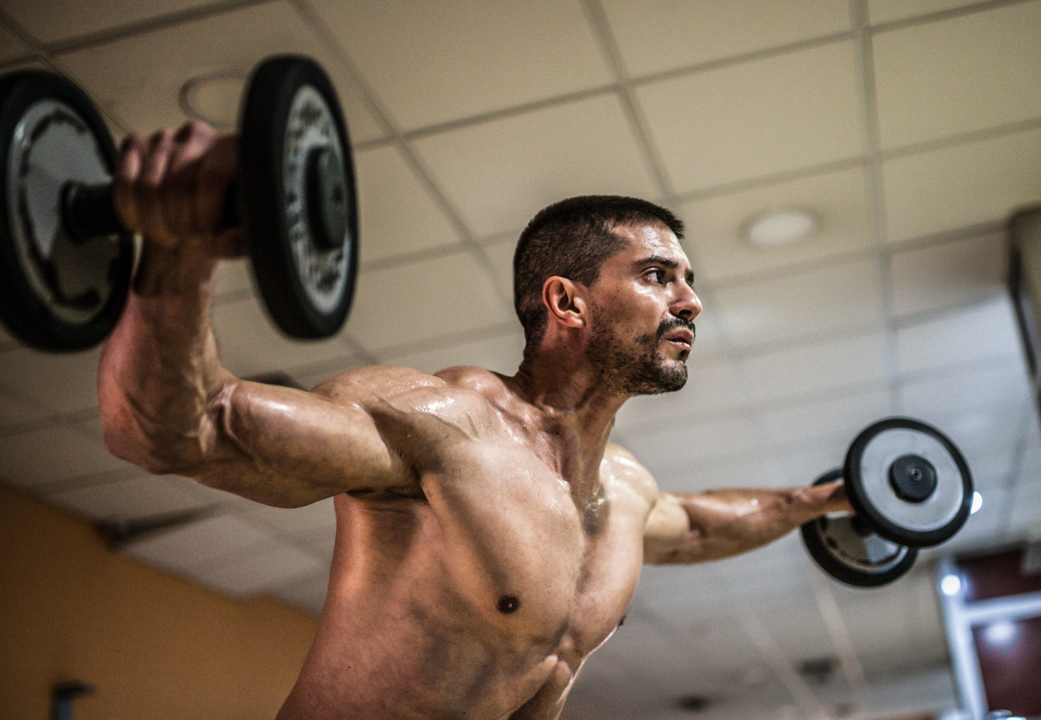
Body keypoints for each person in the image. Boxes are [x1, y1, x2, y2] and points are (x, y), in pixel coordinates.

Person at [98, 120, 850, 720]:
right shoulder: (440, 429)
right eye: (658, 276)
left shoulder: (624, 491)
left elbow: (701, 527)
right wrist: (177, 250)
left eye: (689, 280)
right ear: (567, 302)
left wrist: (819, 502)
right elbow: (177, 431)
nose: (690, 302)